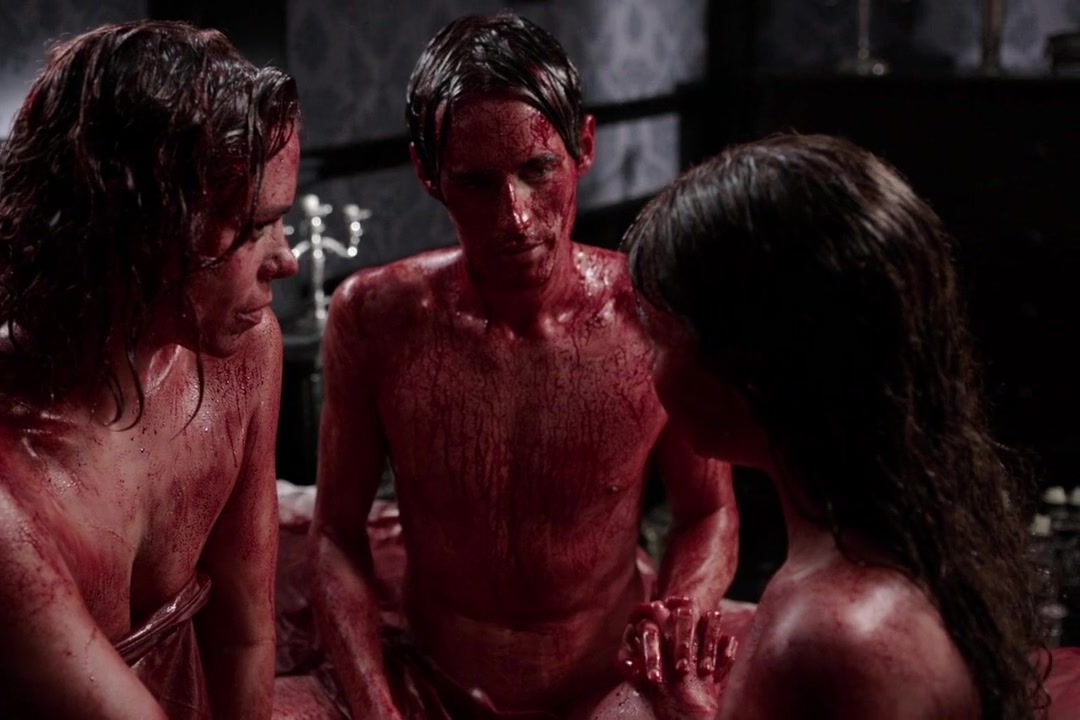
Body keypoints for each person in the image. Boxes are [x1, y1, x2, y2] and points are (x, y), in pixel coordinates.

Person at [0, 21, 299, 719]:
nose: (287, 260)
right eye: (254, 226)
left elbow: (243, 633)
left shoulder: (244, 350)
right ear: (139, 224)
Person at [306, 14, 738, 719]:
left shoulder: (651, 311)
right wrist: (378, 710)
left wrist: (680, 609)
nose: (514, 217)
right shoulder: (375, 317)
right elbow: (335, 536)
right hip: (431, 683)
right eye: (476, 183)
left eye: (537, 170)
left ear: (584, 147)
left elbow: (709, 511)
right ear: (428, 175)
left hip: (611, 686)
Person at [594, 133, 1048, 719]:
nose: (646, 364)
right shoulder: (893, 549)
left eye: (657, 335)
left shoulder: (838, 636)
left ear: (751, 361)